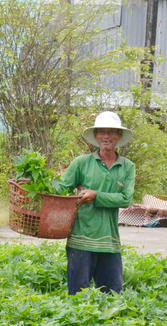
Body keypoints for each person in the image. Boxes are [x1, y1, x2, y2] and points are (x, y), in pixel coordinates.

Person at [55, 111, 137, 295]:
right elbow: (59, 190)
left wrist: (96, 195)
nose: (106, 137)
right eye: (102, 132)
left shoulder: (128, 166)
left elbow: (125, 199)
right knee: (77, 295)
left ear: (119, 136)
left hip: (109, 241)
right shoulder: (81, 163)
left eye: (112, 132)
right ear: (96, 135)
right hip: (80, 239)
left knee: (113, 294)